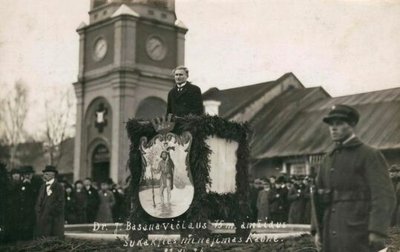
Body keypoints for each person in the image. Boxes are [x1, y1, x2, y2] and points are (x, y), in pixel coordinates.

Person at [311, 104, 396, 252]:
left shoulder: (369, 155)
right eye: (331, 124)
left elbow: (384, 195)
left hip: (358, 230)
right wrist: (317, 230)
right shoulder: (327, 159)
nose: (333, 128)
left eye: (339, 123)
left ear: (352, 125)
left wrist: (376, 230)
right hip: (330, 230)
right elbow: (318, 197)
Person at [35, 165, 65, 238]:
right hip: (42, 220)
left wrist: (50, 212)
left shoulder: (59, 187)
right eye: (44, 174)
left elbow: (61, 203)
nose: (44, 176)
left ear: (53, 175)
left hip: (54, 221)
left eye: (47, 174)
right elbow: (39, 201)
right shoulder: (42, 187)